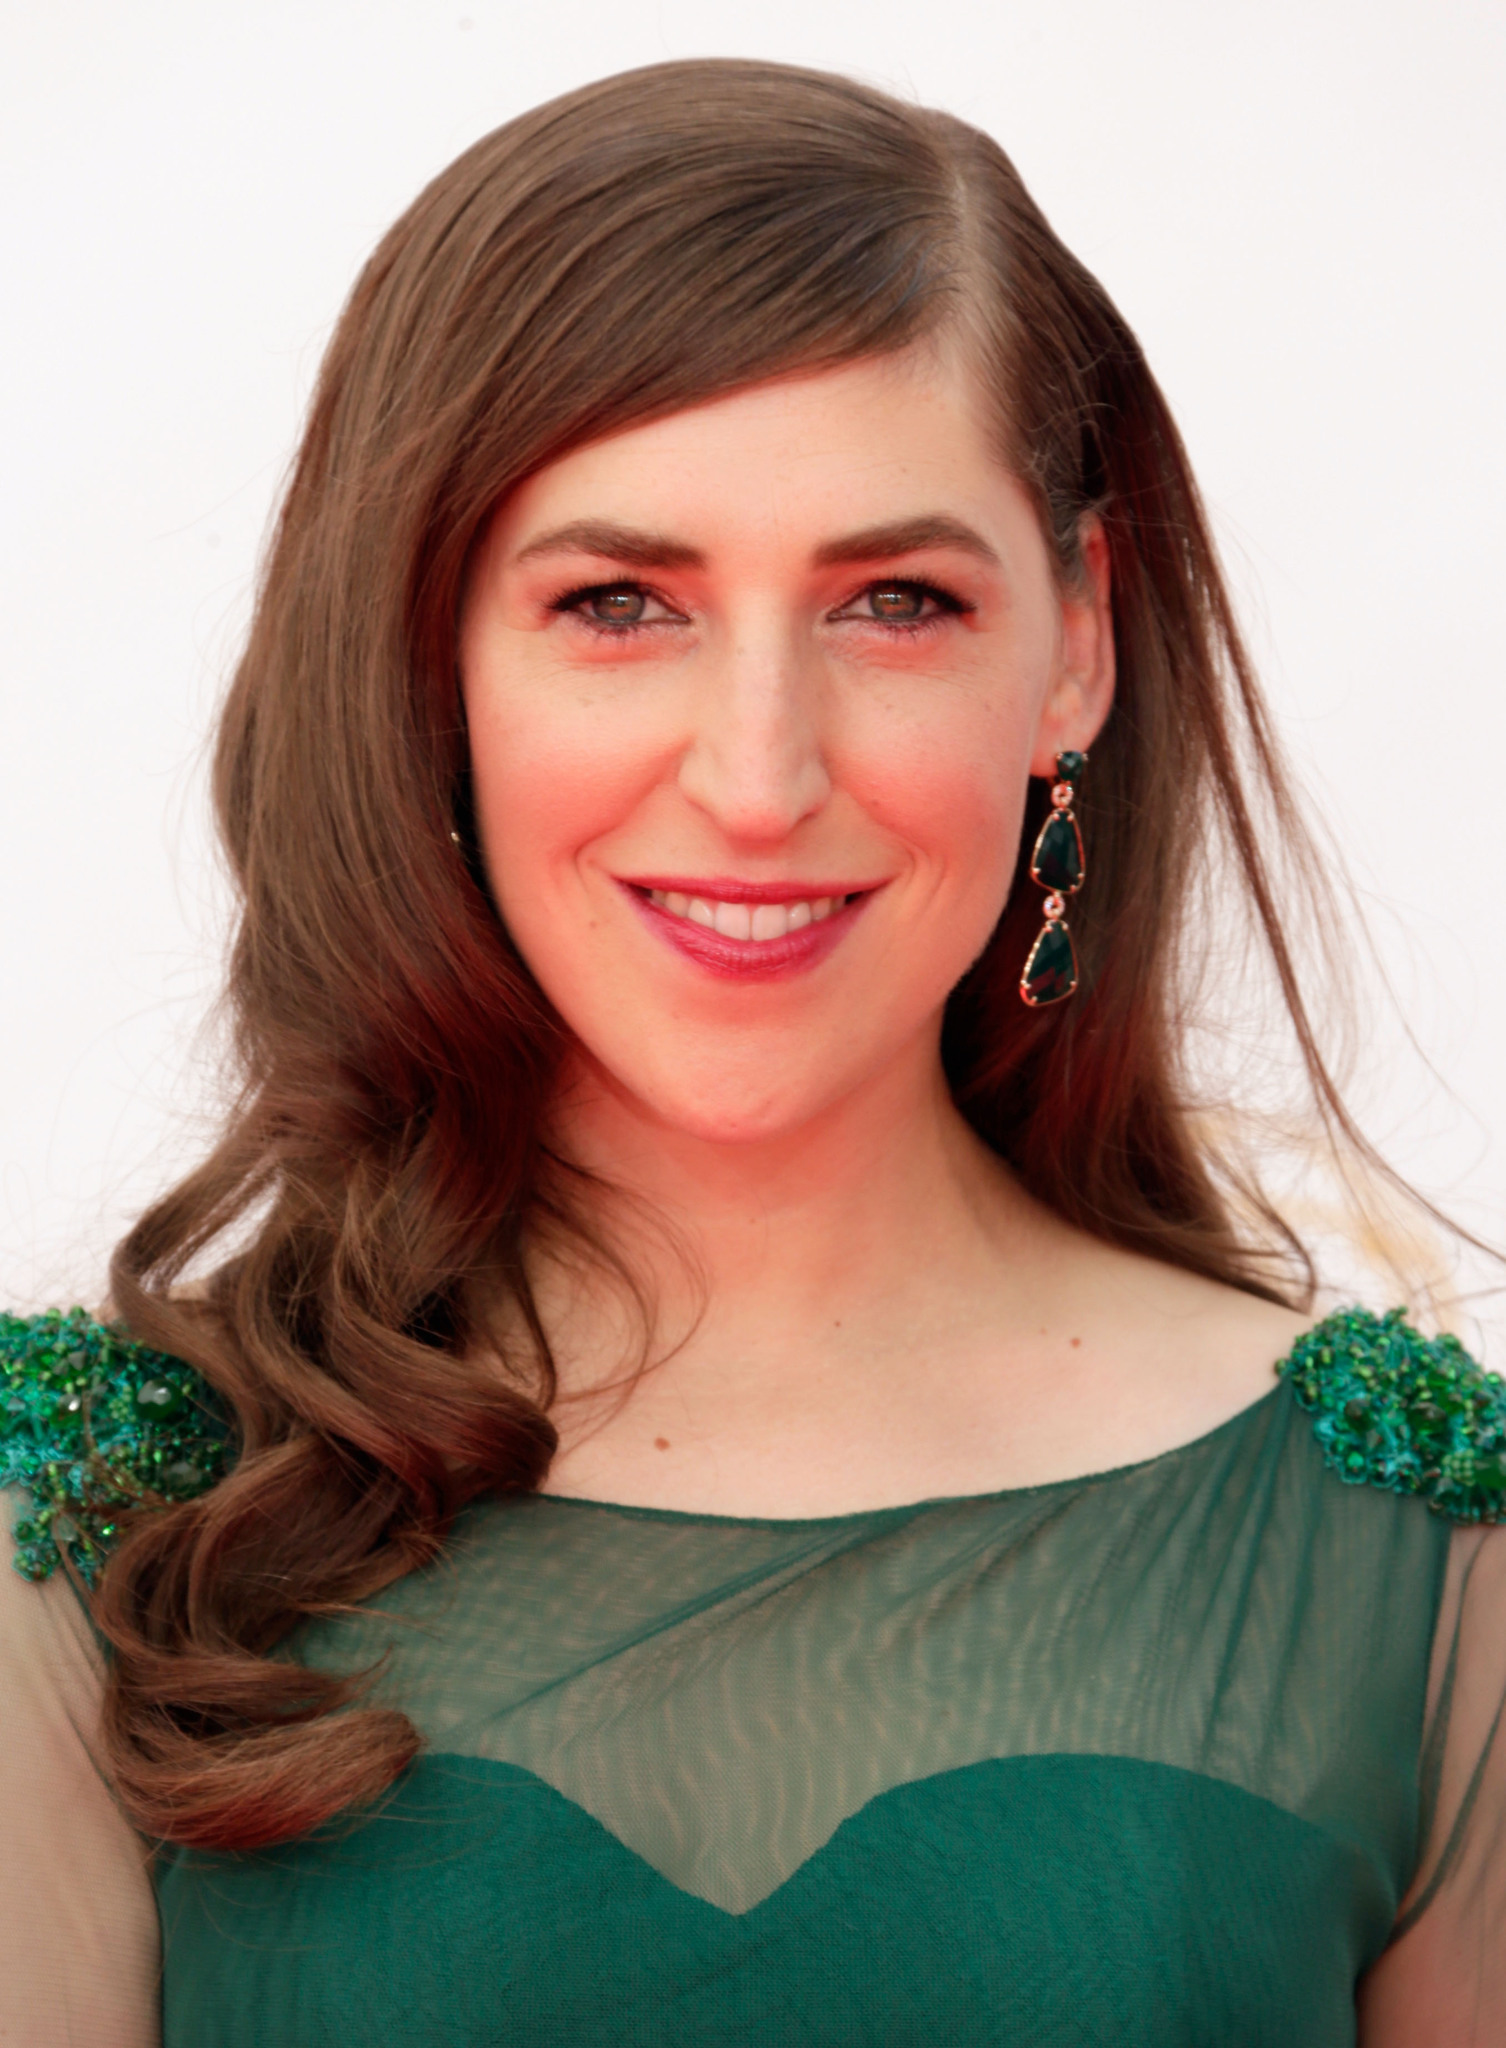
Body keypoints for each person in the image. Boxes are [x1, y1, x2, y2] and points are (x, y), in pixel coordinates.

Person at [2, 56, 1502, 2048]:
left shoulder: (1412, 1563)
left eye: (895, 602)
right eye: (621, 602)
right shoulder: (95, 1535)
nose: (760, 775)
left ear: (1075, 640)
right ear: (426, 654)